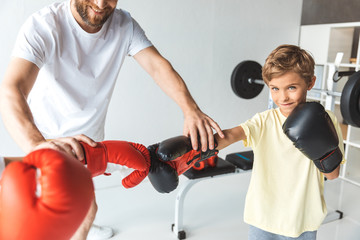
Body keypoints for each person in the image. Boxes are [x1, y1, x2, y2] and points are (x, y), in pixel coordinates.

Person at [0, 0, 224, 239]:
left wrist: (190, 109)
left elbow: (159, 67)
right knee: (57, 217)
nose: (100, 3)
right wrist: (37, 146)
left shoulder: (124, 25)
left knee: (87, 211)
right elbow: (12, 88)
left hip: (92, 144)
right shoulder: (44, 25)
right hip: (50, 140)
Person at [213, 44, 345, 240]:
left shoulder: (326, 120)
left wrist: (319, 147)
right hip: (263, 218)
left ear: (310, 82)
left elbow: (332, 174)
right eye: (275, 88)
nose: (282, 97)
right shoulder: (264, 120)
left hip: (302, 220)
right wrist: (192, 146)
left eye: (291, 87)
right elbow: (230, 135)